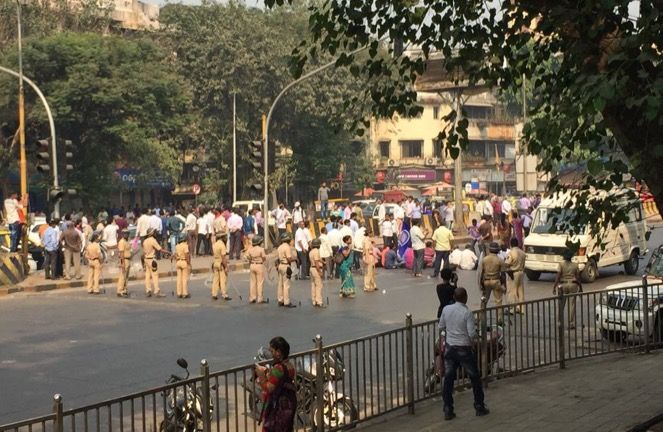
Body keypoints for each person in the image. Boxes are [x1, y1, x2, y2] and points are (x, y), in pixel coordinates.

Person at [439, 287, 490, 420]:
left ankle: (448, 408)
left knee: (448, 379)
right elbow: (472, 333)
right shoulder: (467, 313)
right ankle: (479, 406)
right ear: (465, 298)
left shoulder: (446, 309)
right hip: (464, 350)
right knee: (474, 377)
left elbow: (441, 326)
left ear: (454, 298)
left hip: (450, 348)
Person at [254, 336, 297, 432]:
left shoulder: (278, 368)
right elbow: (281, 380)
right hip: (288, 404)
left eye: (272, 351)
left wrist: (261, 375)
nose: (271, 354)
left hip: (277, 407)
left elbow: (269, 388)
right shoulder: (290, 365)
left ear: (278, 353)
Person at [554, 249, 582, 329]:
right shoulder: (575, 265)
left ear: (564, 257)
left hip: (563, 284)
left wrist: (554, 286)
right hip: (573, 284)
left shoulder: (561, 264)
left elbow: (558, 276)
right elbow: (578, 277)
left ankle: (559, 322)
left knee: (561, 304)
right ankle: (571, 323)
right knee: (572, 305)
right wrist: (580, 287)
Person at [480, 242, 505, 323]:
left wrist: (481, 284)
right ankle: (499, 320)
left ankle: (480, 318)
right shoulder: (500, 260)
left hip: (486, 281)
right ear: (497, 251)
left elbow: (481, 273)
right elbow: (503, 274)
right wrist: (504, 285)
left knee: (484, 301)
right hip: (496, 281)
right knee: (498, 301)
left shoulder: (484, 259)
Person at [505, 237, 526, 314]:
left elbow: (507, 263)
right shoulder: (522, 252)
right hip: (521, 272)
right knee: (520, 291)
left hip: (513, 273)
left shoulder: (511, 253)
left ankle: (511, 309)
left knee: (512, 291)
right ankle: (521, 309)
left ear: (511, 244)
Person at [143, 228, 166, 297]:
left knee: (147, 276)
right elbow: (160, 249)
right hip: (152, 259)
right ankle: (156, 291)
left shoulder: (145, 241)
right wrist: (169, 252)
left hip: (146, 259)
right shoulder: (153, 240)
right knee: (155, 275)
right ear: (152, 233)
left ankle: (148, 290)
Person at [277, 233, 297, 308]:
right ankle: (287, 301)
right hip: (286, 265)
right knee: (286, 285)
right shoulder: (287, 247)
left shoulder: (279, 247)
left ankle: (280, 300)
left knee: (280, 284)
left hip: (280, 265)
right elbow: (289, 258)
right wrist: (295, 259)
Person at [245, 235, 267, 304]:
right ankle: (260, 298)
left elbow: (246, 256)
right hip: (259, 265)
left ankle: (252, 298)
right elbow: (264, 258)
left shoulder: (250, 249)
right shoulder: (261, 249)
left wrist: (250, 260)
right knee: (260, 283)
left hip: (252, 265)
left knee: (252, 282)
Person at [212, 231, 231, 301]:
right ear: (222, 237)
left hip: (215, 262)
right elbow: (223, 257)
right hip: (220, 263)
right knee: (223, 280)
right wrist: (226, 266)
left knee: (215, 279)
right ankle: (224, 294)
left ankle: (214, 294)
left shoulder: (214, 244)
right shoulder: (222, 245)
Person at [173, 234, 191, 299]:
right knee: (184, 279)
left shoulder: (177, 246)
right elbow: (187, 255)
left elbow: (175, 255)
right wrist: (189, 263)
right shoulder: (185, 246)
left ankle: (179, 293)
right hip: (184, 261)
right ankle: (185, 293)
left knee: (179, 279)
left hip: (178, 262)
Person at [308, 238, 325, 307]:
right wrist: (320, 272)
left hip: (311, 268)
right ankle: (319, 302)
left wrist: (323, 261)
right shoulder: (316, 251)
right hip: (316, 268)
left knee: (313, 285)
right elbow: (316, 262)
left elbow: (318, 259)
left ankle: (314, 300)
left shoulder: (311, 251)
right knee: (319, 286)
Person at [116, 228, 131, 297]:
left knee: (126, 277)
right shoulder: (122, 242)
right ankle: (120, 290)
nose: (126, 234)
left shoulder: (127, 241)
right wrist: (122, 263)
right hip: (124, 259)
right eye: (125, 233)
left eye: (127, 233)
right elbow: (121, 253)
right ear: (122, 234)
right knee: (122, 276)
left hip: (128, 259)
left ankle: (124, 289)